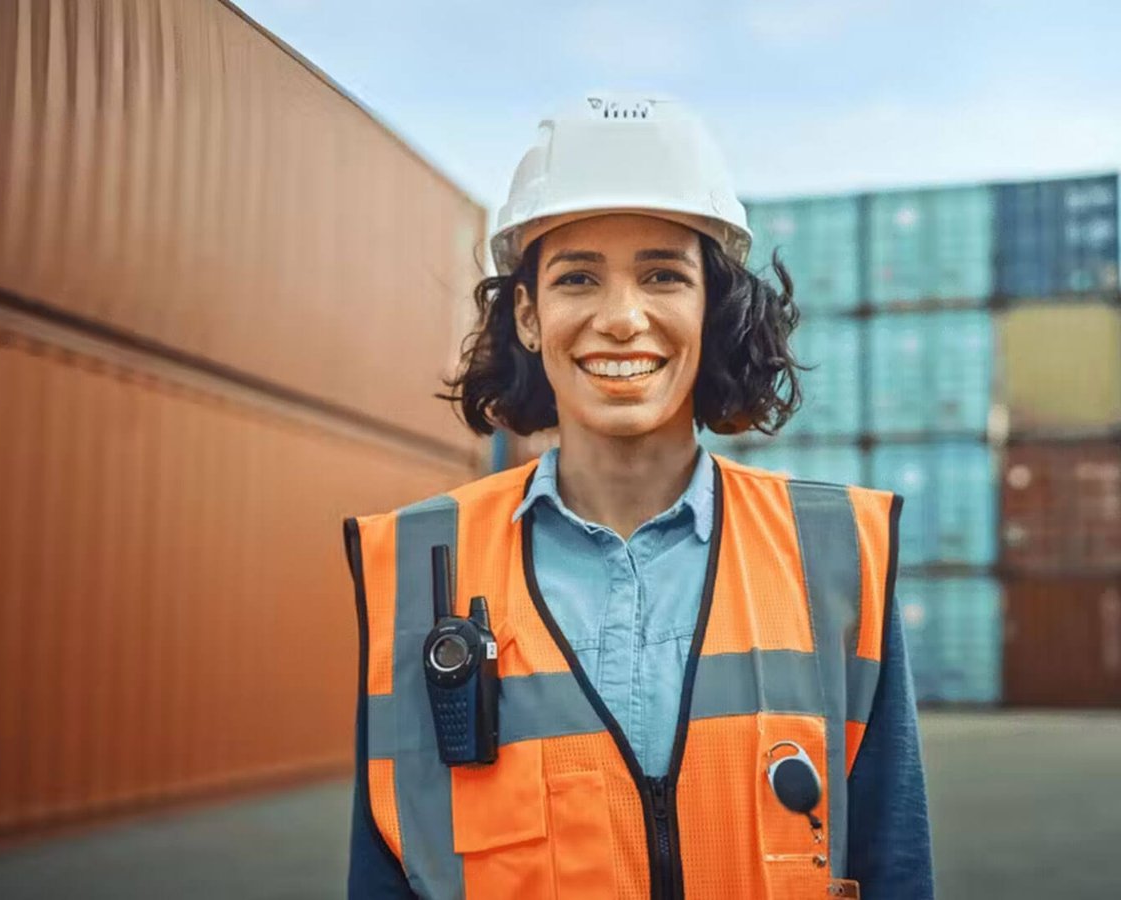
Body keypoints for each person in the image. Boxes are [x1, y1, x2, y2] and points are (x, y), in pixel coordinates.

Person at [342, 93, 933, 899]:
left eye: (662, 274)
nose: (622, 318)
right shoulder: (414, 564)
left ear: (710, 305)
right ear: (527, 314)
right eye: (578, 278)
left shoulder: (832, 548)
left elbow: (895, 865)